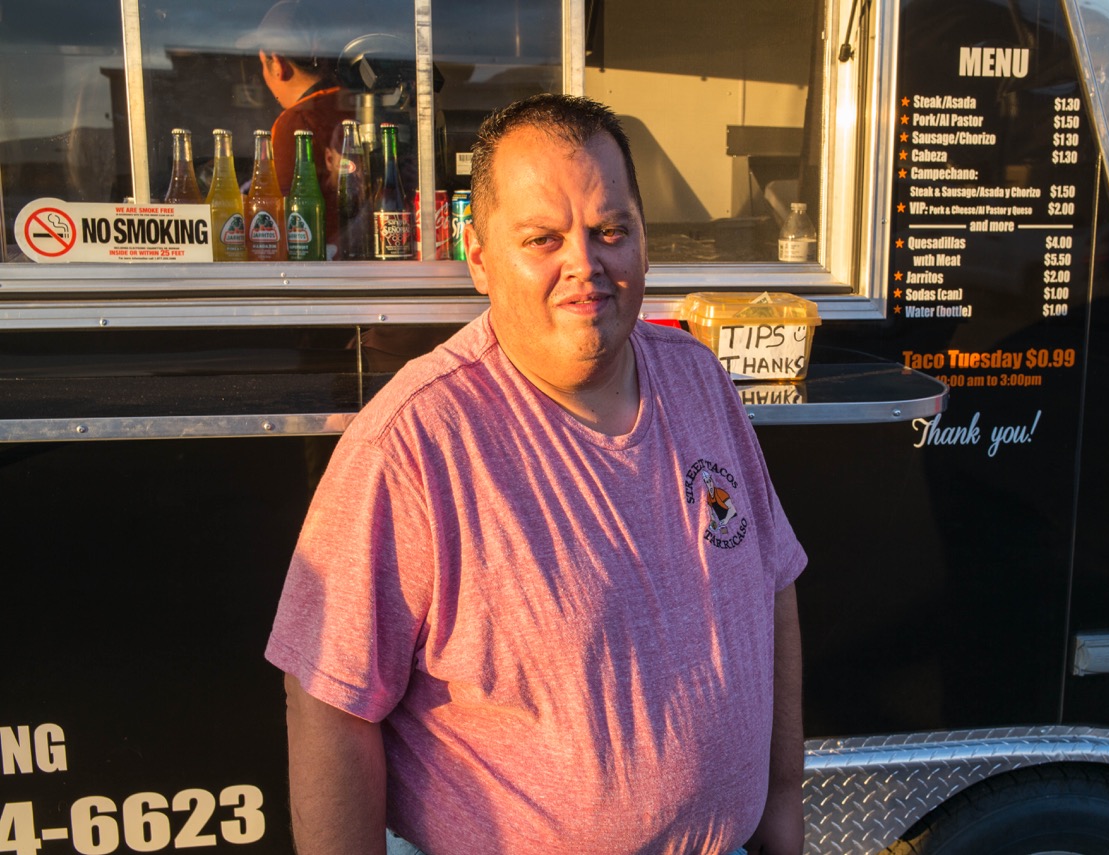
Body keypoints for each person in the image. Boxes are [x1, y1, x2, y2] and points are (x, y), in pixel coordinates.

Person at [265, 93, 807, 855]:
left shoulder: (698, 380)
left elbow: (772, 581)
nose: (585, 265)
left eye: (610, 230)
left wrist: (783, 812)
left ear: (644, 240)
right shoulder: (415, 442)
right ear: (481, 260)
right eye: (543, 238)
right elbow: (329, 700)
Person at [241, 0, 349, 243]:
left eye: (261, 63)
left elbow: (280, 221)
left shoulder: (296, 122)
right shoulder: (359, 105)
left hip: (320, 264)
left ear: (277, 64)